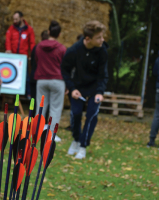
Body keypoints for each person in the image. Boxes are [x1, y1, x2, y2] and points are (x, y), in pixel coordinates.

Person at [61, 20, 108, 159]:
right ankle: (75, 140)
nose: (102, 39)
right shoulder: (74, 50)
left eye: (102, 36)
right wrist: (72, 88)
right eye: (98, 37)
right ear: (88, 39)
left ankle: (82, 146)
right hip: (78, 88)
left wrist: (100, 91)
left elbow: (103, 74)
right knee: (75, 114)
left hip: (94, 89)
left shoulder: (102, 51)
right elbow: (64, 70)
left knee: (91, 115)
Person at [35, 21, 66, 142]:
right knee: (55, 108)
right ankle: (51, 133)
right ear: (59, 34)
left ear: (48, 32)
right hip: (57, 80)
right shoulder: (62, 48)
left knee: (41, 106)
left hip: (42, 79)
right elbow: (65, 66)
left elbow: (37, 61)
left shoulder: (39, 46)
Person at [5, 11, 35, 98]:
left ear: (22, 18)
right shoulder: (11, 28)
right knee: (11, 74)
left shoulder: (29, 29)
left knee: (25, 76)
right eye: (13, 19)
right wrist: (8, 49)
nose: (14, 21)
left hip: (23, 57)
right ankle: (11, 94)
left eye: (16, 19)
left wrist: (32, 54)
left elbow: (32, 43)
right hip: (13, 56)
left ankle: (28, 94)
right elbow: (8, 39)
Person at [30, 30, 49, 116]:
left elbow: (32, 63)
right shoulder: (47, 49)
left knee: (33, 99)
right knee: (44, 100)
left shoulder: (36, 47)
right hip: (43, 77)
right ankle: (43, 120)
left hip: (35, 77)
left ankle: (32, 118)